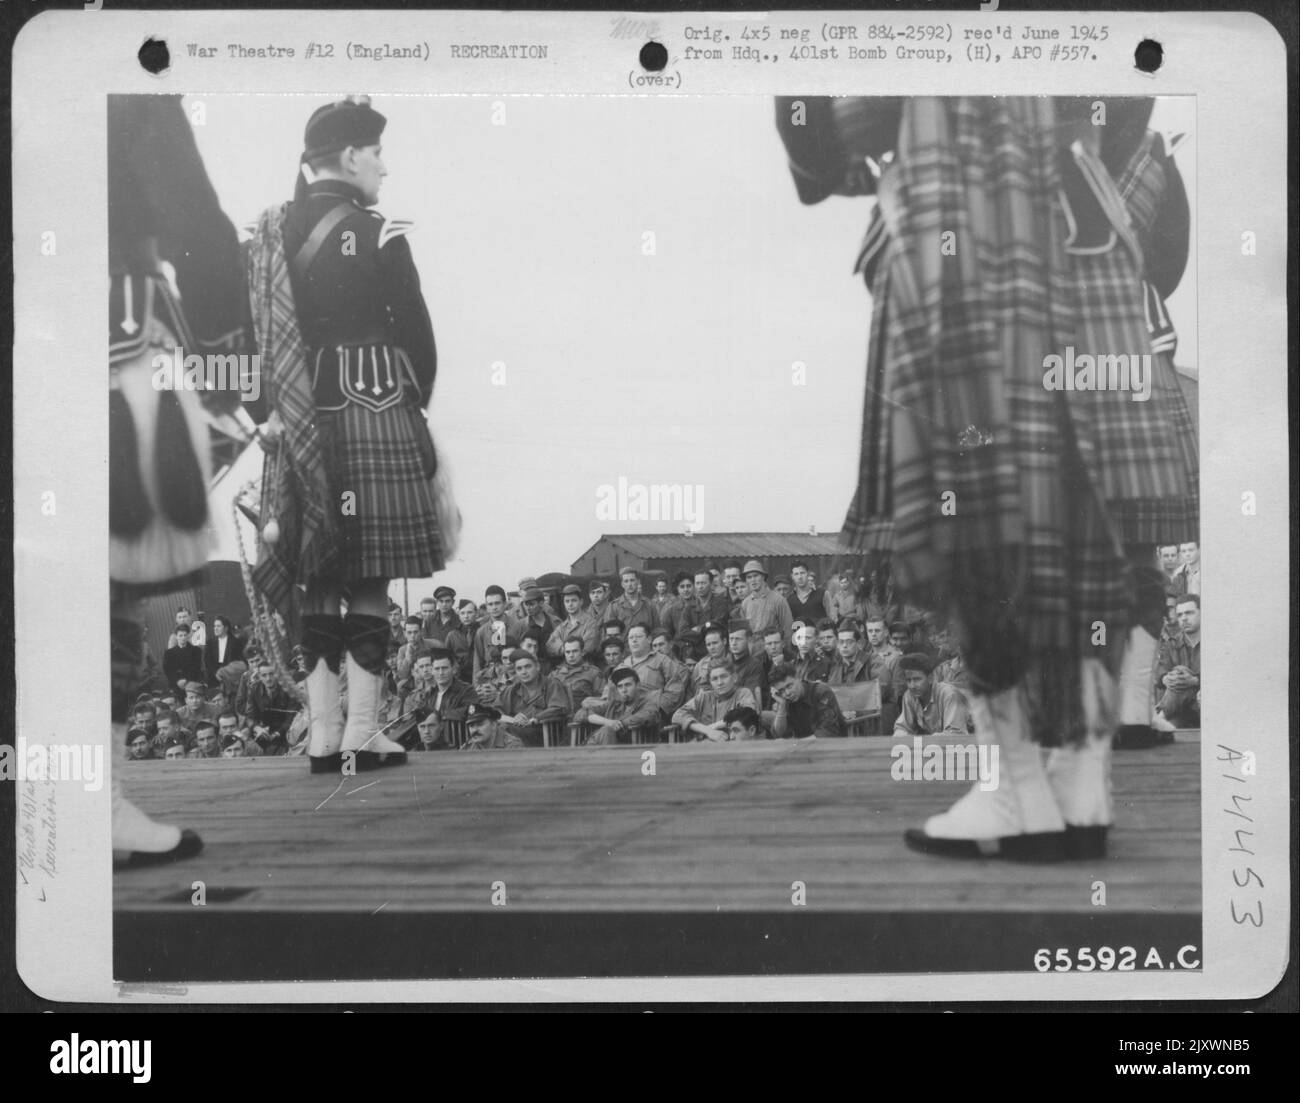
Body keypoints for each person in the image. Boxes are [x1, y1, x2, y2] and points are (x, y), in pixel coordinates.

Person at [779, 95, 1198, 860]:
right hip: (1091, 251)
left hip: (965, 242)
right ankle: (1079, 790)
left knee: (979, 534)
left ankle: (1019, 794)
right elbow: (1141, 167)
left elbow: (822, 136)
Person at [246, 96, 451, 774]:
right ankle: (364, 730)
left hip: (298, 418)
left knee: (315, 573)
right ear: (350, 156)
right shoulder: (381, 231)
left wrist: (267, 418)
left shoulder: (268, 235)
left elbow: (251, 343)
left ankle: (324, 735)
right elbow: (419, 342)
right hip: (376, 404)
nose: (384, 169)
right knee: (369, 575)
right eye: (377, 154)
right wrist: (412, 410)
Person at [497, 651, 572, 747]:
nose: (524, 672)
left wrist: (535, 718)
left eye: (528, 667)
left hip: (546, 732)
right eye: (519, 669)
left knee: (513, 730)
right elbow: (495, 711)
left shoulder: (551, 684)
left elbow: (558, 708)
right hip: (516, 731)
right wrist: (513, 719)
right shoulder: (512, 689)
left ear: (537, 667)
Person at [1151, 593, 1201, 733]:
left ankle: (1159, 716)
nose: (1184, 618)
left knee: (1180, 671)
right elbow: (1159, 674)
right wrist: (1166, 679)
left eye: (1189, 613)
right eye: (1180, 615)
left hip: (1204, 705)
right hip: (1181, 709)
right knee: (1178, 672)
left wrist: (1195, 681)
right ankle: (1161, 718)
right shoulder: (1172, 643)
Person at [672, 663, 760, 742]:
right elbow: (678, 715)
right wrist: (708, 730)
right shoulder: (704, 697)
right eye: (714, 679)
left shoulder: (742, 693)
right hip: (704, 746)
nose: (720, 683)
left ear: (734, 678)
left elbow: (748, 713)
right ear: (710, 682)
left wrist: (715, 726)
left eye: (724, 677)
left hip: (732, 745)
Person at [892, 654, 971, 737]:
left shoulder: (949, 694)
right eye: (908, 680)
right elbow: (902, 728)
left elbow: (955, 735)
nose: (912, 685)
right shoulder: (909, 695)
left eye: (917, 679)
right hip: (935, 746)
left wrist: (926, 741)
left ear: (930, 678)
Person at [584, 668, 662, 746]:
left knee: (607, 730)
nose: (624, 690)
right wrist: (608, 722)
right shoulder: (614, 705)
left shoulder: (648, 703)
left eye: (628, 685)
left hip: (636, 750)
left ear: (638, 685)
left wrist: (618, 723)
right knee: (606, 730)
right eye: (620, 686)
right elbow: (583, 713)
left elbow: (646, 716)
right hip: (605, 746)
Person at [768, 664, 846, 739]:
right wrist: (782, 706)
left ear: (798, 678)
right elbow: (779, 733)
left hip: (833, 746)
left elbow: (828, 733)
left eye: (789, 686)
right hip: (803, 747)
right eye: (781, 690)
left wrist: (796, 745)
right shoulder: (785, 699)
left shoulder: (821, 692)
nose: (787, 693)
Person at [740, 559, 793, 643]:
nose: (753, 580)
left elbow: (788, 630)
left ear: (763, 577)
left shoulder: (778, 600)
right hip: (753, 649)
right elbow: (745, 632)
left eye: (756, 575)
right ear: (746, 580)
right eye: (749, 577)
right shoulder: (745, 603)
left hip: (772, 647)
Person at [547, 583, 598, 661]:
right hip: (565, 668)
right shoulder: (562, 627)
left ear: (581, 602)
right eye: (567, 601)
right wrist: (573, 649)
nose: (570, 604)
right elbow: (550, 645)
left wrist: (561, 647)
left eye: (573, 600)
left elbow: (587, 648)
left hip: (585, 666)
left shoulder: (590, 623)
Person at [204, 614, 247, 694]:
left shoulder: (235, 642)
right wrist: (216, 673)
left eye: (218, 626)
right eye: (214, 626)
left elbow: (238, 661)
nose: (215, 628)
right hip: (214, 676)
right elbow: (207, 661)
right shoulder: (210, 643)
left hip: (230, 676)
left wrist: (226, 672)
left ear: (226, 628)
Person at [461, 703, 527, 751]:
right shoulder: (467, 748)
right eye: (471, 726)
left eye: (480, 725)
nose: (475, 730)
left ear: (493, 725)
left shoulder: (513, 747)